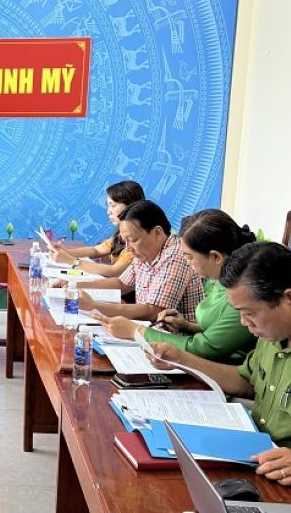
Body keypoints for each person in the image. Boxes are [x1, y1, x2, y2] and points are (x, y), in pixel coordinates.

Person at [149, 242, 291, 484]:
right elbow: (245, 381)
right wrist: (182, 359)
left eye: (250, 313)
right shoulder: (272, 335)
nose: (244, 323)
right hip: (253, 457)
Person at [94, 209, 257, 363]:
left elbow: (206, 348)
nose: (186, 262)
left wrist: (135, 331)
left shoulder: (240, 294)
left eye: (189, 257)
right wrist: (187, 326)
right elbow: (218, 332)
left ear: (215, 257)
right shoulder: (219, 280)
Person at [57, 200, 204, 321]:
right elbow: (121, 284)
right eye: (125, 241)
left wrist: (94, 305)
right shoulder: (145, 251)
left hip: (174, 339)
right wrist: (72, 285)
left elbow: (153, 311)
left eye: (133, 240)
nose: (128, 248)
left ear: (157, 233)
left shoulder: (175, 256)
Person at [49, 180, 144, 277]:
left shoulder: (137, 241)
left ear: (131, 207)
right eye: (108, 206)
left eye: (113, 206)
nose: (108, 211)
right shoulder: (121, 234)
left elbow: (114, 271)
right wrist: (65, 252)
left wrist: (71, 260)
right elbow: (97, 250)